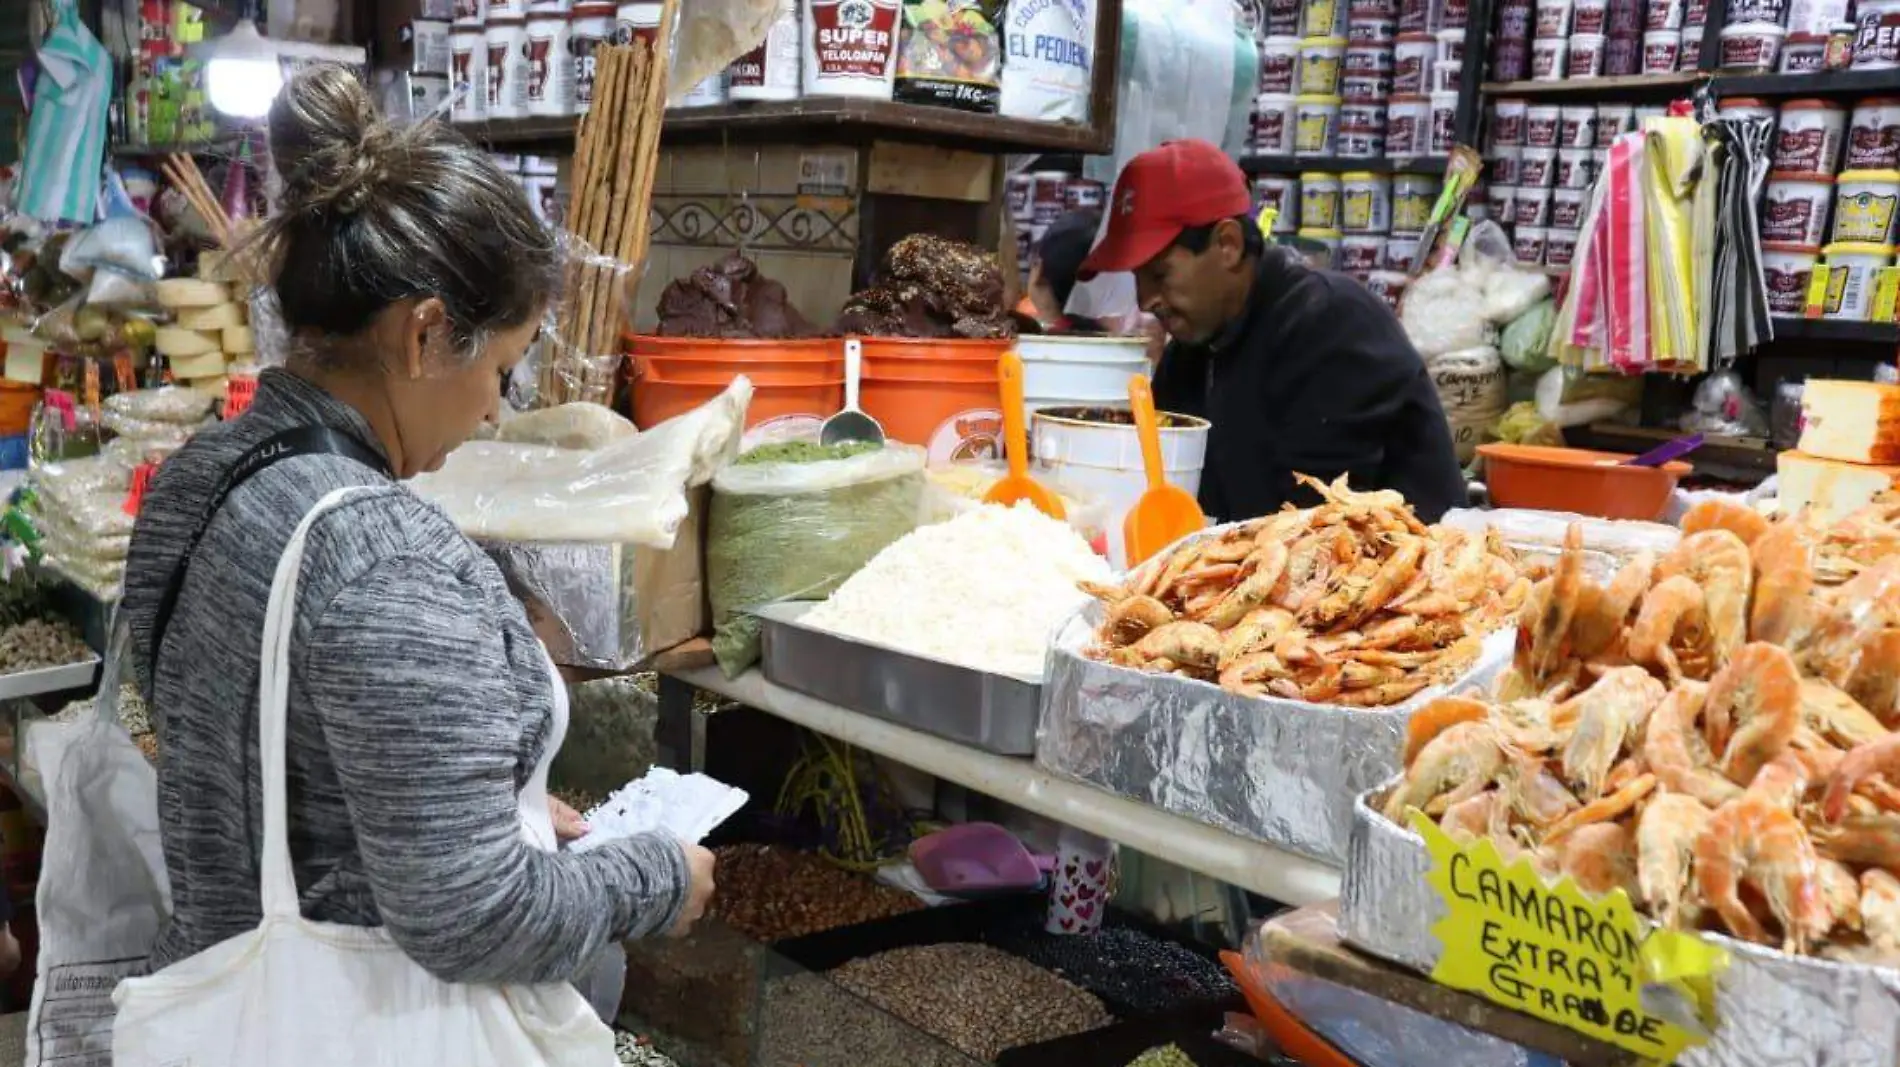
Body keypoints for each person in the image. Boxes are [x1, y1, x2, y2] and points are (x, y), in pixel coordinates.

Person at [119, 66, 713, 1019]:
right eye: (505, 369)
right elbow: (475, 920)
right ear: (427, 335)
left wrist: (478, 811)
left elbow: (258, 752)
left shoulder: (202, 474)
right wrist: (655, 877)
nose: (494, 410)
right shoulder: (389, 562)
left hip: (224, 1002)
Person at [1077, 139, 1467, 524]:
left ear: (1227, 245)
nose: (1146, 301)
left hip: (1398, 576)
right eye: (1137, 279)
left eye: (1160, 275)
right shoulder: (1191, 352)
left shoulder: (1329, 325)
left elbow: (1317, 528)